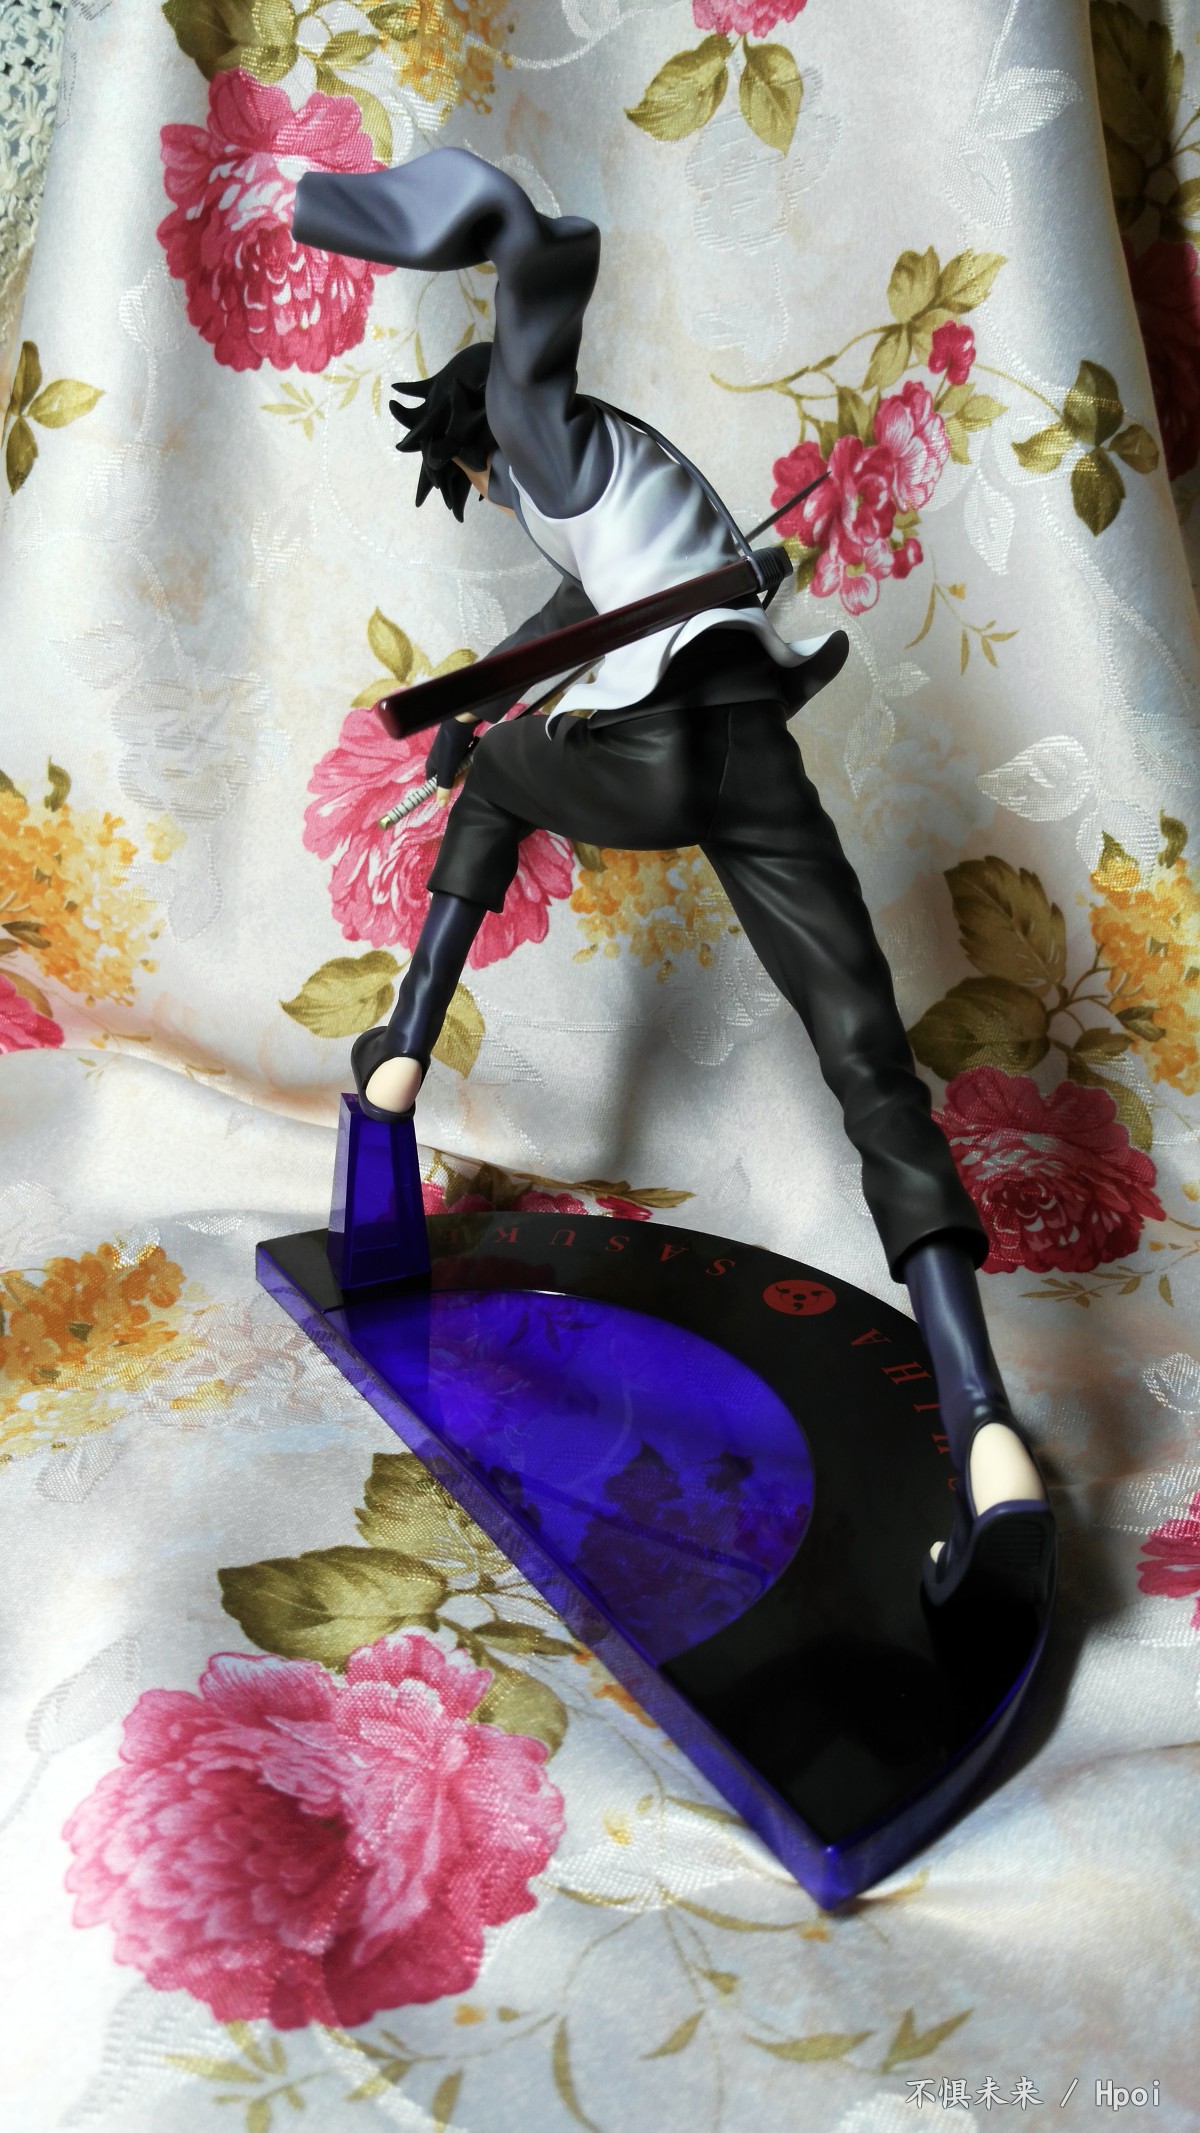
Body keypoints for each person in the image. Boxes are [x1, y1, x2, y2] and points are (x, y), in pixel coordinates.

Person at [292, 149, 1055, 1616]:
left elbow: (537, 314)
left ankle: (401, 1047)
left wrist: (505, 227)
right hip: (757, 753)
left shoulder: (541, 431)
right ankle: (985, 1426)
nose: (487, 491)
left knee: (504, 778)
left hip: (662, 752)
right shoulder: (620, 481)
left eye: (472, 475)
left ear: (483, 438)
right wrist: (473, 703)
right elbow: (570, 615)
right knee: (872, 1068)